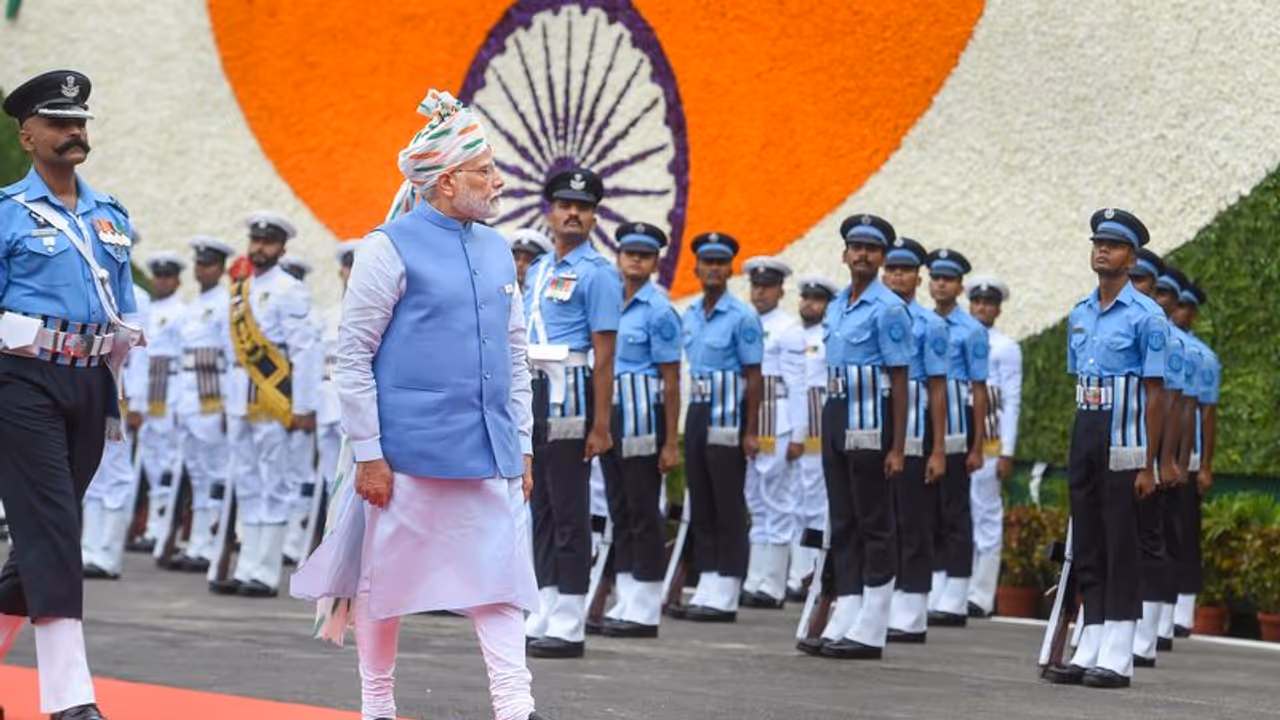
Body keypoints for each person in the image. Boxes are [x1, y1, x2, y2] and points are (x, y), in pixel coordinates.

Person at [290, 88, 548, 720]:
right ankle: (377, 706)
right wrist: (369, 454)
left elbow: (515, 354)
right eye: (485, 170)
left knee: (501, 583)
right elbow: (354, 357)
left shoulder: (497, 248)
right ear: (447, 180)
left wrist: (524, 444)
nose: (498, 181)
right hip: (405, 457)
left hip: (490, 452)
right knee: (386, 585)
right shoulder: (387, 247)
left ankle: (516, 707)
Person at [0, 69, 144, 720]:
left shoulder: (111, 214)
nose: (73, 132)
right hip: (22, 381)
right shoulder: (7, 213)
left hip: (90, 382)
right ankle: (70, 699)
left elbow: (125, 310)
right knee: (57, 529)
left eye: (79, 122)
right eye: (58, 123)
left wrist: (122, 384)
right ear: (27, 136)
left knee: (40, 539)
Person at [1042, 208, 1168, 689]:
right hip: (1088, 430)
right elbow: (1082, 384)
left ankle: (1118, 649)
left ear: (1131, 259)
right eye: (1098, 243)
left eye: (1112, 246)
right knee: (1089, 540)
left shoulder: (1147, 316)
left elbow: (1155, 395)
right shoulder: (1080, 312)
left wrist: (1148, 464)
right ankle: (1090, 638)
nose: (1102, 251)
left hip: (1125, 438)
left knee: (1120, 542)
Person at [522, 167, 622, 659]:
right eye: (565, 206)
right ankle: (544, 604)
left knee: (569, 509)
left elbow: (605, 355)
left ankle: (570, 615)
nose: (573, 214)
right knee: (539, 506)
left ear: (594, 217)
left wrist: (601, 425)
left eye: (583, 208)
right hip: (535, 392)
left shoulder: (599, 273)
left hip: (572, 394)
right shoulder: (539, 269)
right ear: (551, 212)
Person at [802, 214, 911, 660]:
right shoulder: (836, 304)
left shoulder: (889, 308)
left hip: (870, 417)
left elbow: (900, 381)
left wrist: (898, 447)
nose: (862, 254)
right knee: (843, 519)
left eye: (872, 248)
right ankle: (847, 608)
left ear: (882, 257)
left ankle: (873, 621)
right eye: (856, 247)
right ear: (845, 254)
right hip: (836, 412)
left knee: (874, 521)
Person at [213, 211, 321, 598]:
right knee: (246, 482)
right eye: (256, 241)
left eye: (268, 242)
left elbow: (304, 352)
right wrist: (225, 403)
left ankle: (265, 572)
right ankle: (246, 567)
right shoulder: (239, 289)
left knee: (274, 484)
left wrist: (303, 407)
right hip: (239, 398)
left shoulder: (291, 290)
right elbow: (229, 354)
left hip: (274, 400)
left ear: (282, 248)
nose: (260, 248)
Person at [596, 222, 682, 639]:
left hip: (644, 423)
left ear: (655, 263)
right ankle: (626, 597)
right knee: (621, 510)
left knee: (644, 512)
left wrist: (671, 442)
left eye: (645, 256)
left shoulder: (660, 310)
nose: (636, 261)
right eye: (630, 253)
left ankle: (645, 606)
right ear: (619, 256)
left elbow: (672, 380)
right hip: (612, 418)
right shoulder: (609, 302)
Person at [672, 232, 764, 623]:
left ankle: (728, 584)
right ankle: (708, 579)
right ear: (696, 269)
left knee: (727, 501)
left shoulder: (742, 316)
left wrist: (751, 430)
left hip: (729, 413)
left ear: (730, 270)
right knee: (702, 499)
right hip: (698, 409)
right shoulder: (691, 313)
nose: (713, 269)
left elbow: (755, 377)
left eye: (720, 263)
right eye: (707, 262)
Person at [880, 238, 948, 643]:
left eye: (904, 270)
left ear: (918, 278)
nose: (896, 276)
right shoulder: (874, 315)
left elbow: (938, 389)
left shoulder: (930, 324)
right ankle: (881, 600)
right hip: (875, 423)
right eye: (891, 269)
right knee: (881, 519)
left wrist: (938, 449)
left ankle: (911, 609)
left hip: (915, 427)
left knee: (913, 520)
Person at [924, 248, 989, 628]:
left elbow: (979, 390)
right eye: (936, 278)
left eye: (947, 279)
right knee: (929, 509)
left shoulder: (971, 330)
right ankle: (934, 584)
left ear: (960, 286)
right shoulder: (921, 322)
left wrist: (977, 445)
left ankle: (957, 591)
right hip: (926, 422)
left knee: (955, 510)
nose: (940, 284)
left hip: (956, 422)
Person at [1125, 250, 1184, 666]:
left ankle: (1145, 638)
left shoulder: (1166, 336)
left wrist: (1163, 460)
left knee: (1149, 541)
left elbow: (1172, 405)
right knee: (1110, 542)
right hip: (1114, 447)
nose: (1136, 287)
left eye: (1143, 281)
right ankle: (1103, 630)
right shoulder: (1110, 321)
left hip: (1146, 451)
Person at [739, 256, 807, 609]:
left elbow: (798, 384)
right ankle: (756, 579)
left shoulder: (788, 328)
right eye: (756, 285)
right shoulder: (745, 320)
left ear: (780, 290)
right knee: (755, 501)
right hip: (751, 416)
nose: (760, 292)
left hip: (776, 416)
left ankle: (774, 585)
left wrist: (799, 433)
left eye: (767, 286)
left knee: (778, 501)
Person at [169, 236, 236, 572]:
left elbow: (232, 357)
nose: (202, 269)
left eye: (209, 264)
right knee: (196, 474)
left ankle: (212, 543)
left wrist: (227, 404)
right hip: (187, 397)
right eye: (199, 263)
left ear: (221, 268)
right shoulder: (192, 306)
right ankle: (196, 543)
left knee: (215, 472)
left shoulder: (226, 303)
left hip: (212, 397)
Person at [964, 275, 1023, 619]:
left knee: (985, 515)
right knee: (956, 515)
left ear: (998, 309)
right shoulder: (957, 339)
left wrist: (1006, 451)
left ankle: (981, 595)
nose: (982, 307)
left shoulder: (1005, 347)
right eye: (977, 302)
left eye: (988, 303)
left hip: (989, 441)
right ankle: (954, 588)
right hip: (957, 439)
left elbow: (1011, 401)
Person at [1169, 278, 1219, 638]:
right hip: (1157, 451)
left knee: (1184, 531)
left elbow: (1207, 414)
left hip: (1188, 456)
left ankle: (1182, 611)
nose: (1181, 311)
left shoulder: (1204, 357)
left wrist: (1204, 466)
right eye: (1178, 304)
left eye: (1188, 307)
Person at [785, 275, 839, 601]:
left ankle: (817, 574)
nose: (809, 304)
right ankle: (797, 574)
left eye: (817, 299)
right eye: (806, 297)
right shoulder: (792, 335)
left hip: (818, 427)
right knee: (795, 504)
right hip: (791, 426)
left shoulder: (829, 336)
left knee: (817, 504)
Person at [134, 252, 188, 559]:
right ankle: (152, 526)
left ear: (177, 280)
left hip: (170, 390)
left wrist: (180, 402)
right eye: (158, 276)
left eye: (167, 276)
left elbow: (184, 358)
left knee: (168, 462)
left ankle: (164, 528)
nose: (162, 281)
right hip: (148, 391)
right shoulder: (149, 309)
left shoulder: (182, 312)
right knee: (151, 462)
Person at [279, 255, 325, 564]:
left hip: (300, 405)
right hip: (275, 403)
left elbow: (312, 366)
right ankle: (280, 536)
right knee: (277, 474)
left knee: (301, 474)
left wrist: (306, 406)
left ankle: (295, 540)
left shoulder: (314, 319)